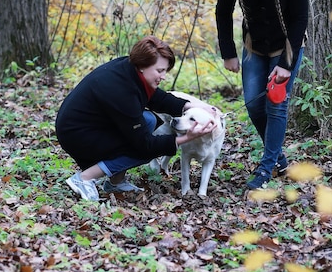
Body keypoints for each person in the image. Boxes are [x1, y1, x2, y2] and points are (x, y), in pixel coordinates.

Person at [55, 35, 216, 201]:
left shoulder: (130, 70)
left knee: (149, 121)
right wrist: (186, 138)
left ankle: (115, 182)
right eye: (160, 71)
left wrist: (193, 106)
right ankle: (84, 178)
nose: (164, 76)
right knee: (145, 151)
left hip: (91, 125)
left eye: (165, 71)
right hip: (78, 135)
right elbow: (144, 146)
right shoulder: (121, 91)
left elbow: (158, 99)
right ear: (142, 66)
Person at [215, 0, 309, 190]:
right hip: (254, 46)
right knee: (253, 104)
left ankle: (266, 168)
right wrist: (229, 53)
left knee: (275, 105)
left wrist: (286, 65)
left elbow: (301, 18)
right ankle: (278, 157)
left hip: (286, 47)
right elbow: (223, 13)